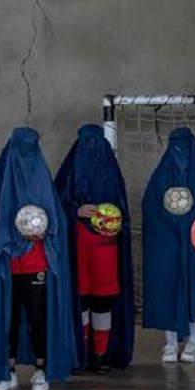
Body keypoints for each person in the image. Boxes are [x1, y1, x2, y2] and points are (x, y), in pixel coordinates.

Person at [0, 127, 77, 390]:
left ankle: (41, 368)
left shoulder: (43, 181)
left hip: (38, 264)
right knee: (9, 316)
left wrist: (47, 232)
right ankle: (6, 370)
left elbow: (58, 221)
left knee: (38, 316)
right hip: (7, 266)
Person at [55, 124, 135, 374]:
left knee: (102, 301)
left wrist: (114, 220)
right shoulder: (68, 172)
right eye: (85, 142)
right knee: (80, 301)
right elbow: (56, 205)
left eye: (95, 142)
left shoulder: (112, 172)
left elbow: (123, 211)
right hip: (76, 249)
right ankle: (81, 352)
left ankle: (100, 355)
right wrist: (74, 210)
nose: (91, 147)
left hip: (106, 250)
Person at [142, 128, 195, 363]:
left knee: (194, 289)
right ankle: (170, 343)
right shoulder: (161, 176)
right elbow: (151, 207)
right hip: (168, 244)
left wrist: (194, 228)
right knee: (168, 289)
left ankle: (193, 343)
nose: (180, 152)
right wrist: (169, 226)